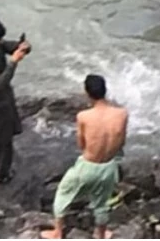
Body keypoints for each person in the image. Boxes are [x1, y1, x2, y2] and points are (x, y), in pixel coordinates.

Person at [42, 75, 128, 239]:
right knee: (102, 202)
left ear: (87, 93)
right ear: (105, 90)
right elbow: (122, 140)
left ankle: (57, 232)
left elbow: (81, 144)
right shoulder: (122, 114)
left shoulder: (84, 116)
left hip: (88, 165)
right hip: (109, 166)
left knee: (63, 193)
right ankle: (101, 233)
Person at [0, 18, 31, 184]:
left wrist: (23, 47)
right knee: (5, 141)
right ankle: (2, 174)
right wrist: (13, 62)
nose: (0, 42)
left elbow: (11, 46)